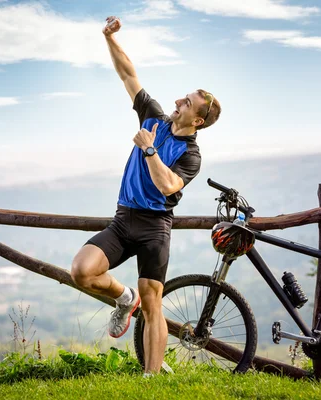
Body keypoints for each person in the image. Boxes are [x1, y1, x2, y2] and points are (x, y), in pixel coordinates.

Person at [70, 16, 221, 375]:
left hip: (155, 228)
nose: (177, 101)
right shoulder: (152, 117)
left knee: (154, 304)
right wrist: (109, 39)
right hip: (124, 220)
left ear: (197, 120)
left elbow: (169, 186)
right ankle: (125, 299)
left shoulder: (191, 155)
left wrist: (150, 150)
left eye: (185, 102)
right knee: (81, 271)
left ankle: (151, 378)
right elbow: (128, 75)